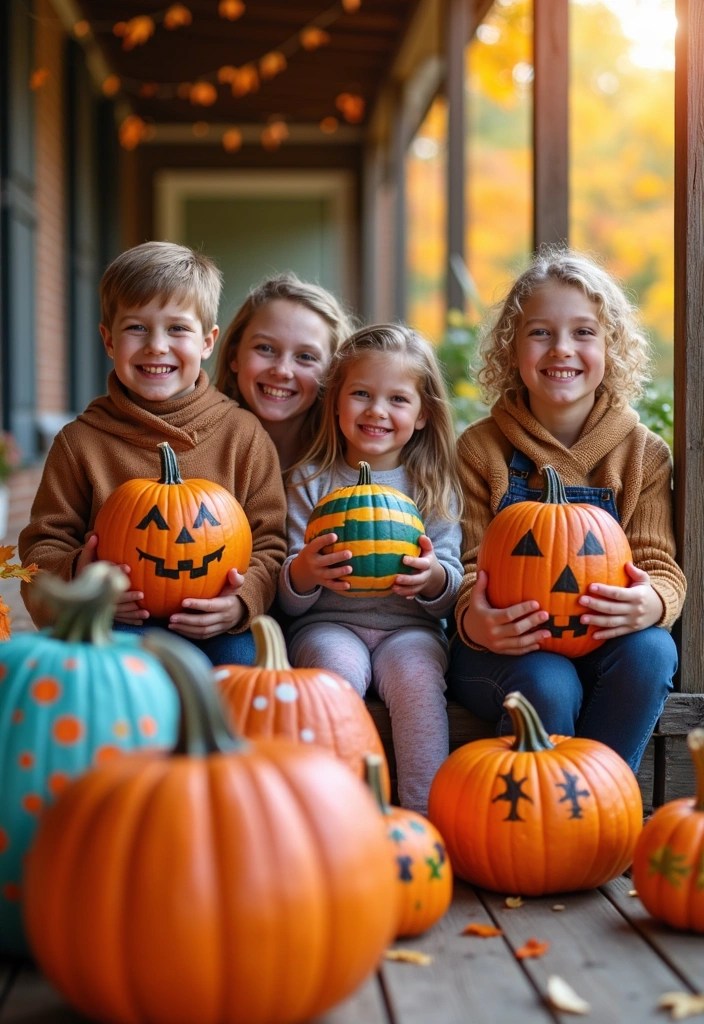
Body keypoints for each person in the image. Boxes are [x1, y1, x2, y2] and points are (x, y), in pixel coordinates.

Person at [448, 245, 686, 773]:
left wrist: (653, 602)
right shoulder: (481, 450)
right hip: (505, 648)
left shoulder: (641, 454)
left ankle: (602, 797)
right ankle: (547, 809)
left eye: (583, 332)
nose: (562, 349)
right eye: (540, 332)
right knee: (548, 682)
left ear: (610, 348)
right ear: (511, 349)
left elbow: (658, 565)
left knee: (652, 651)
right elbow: (466, 564)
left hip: (603, 642)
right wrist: (474, 619)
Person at [19, 240, 287, 665]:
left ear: (208, 342)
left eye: (177, 329)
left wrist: (240, 603)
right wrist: (80, 580)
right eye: (136, 328)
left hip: (215, 623)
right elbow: (43, 546)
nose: (157, 345)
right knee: (108, 672)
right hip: (115, 619)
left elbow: (270, 543)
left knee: (243, 670)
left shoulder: (243, 435)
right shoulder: (81, 442)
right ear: (109, 340)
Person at [277, 324, 463, 814]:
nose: (377, 411)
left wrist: (432, 578)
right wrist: (306, 572)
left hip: (410, 629)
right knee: (333, 672)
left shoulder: (432, 486)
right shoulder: (311, 481)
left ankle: (424, 815)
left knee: (417, 678)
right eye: (361, 394)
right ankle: (336, 812)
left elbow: (451, 585)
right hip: (329, 623)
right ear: (336, 403)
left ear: (422, 415)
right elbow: (286, 589)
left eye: (397, 399)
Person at [214, 272, 354, 473]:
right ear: (233, 356)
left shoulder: (353, 466)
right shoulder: (193, 450)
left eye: (306, 357)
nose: (282, 370)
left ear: (332, 373)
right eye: (265, 348)